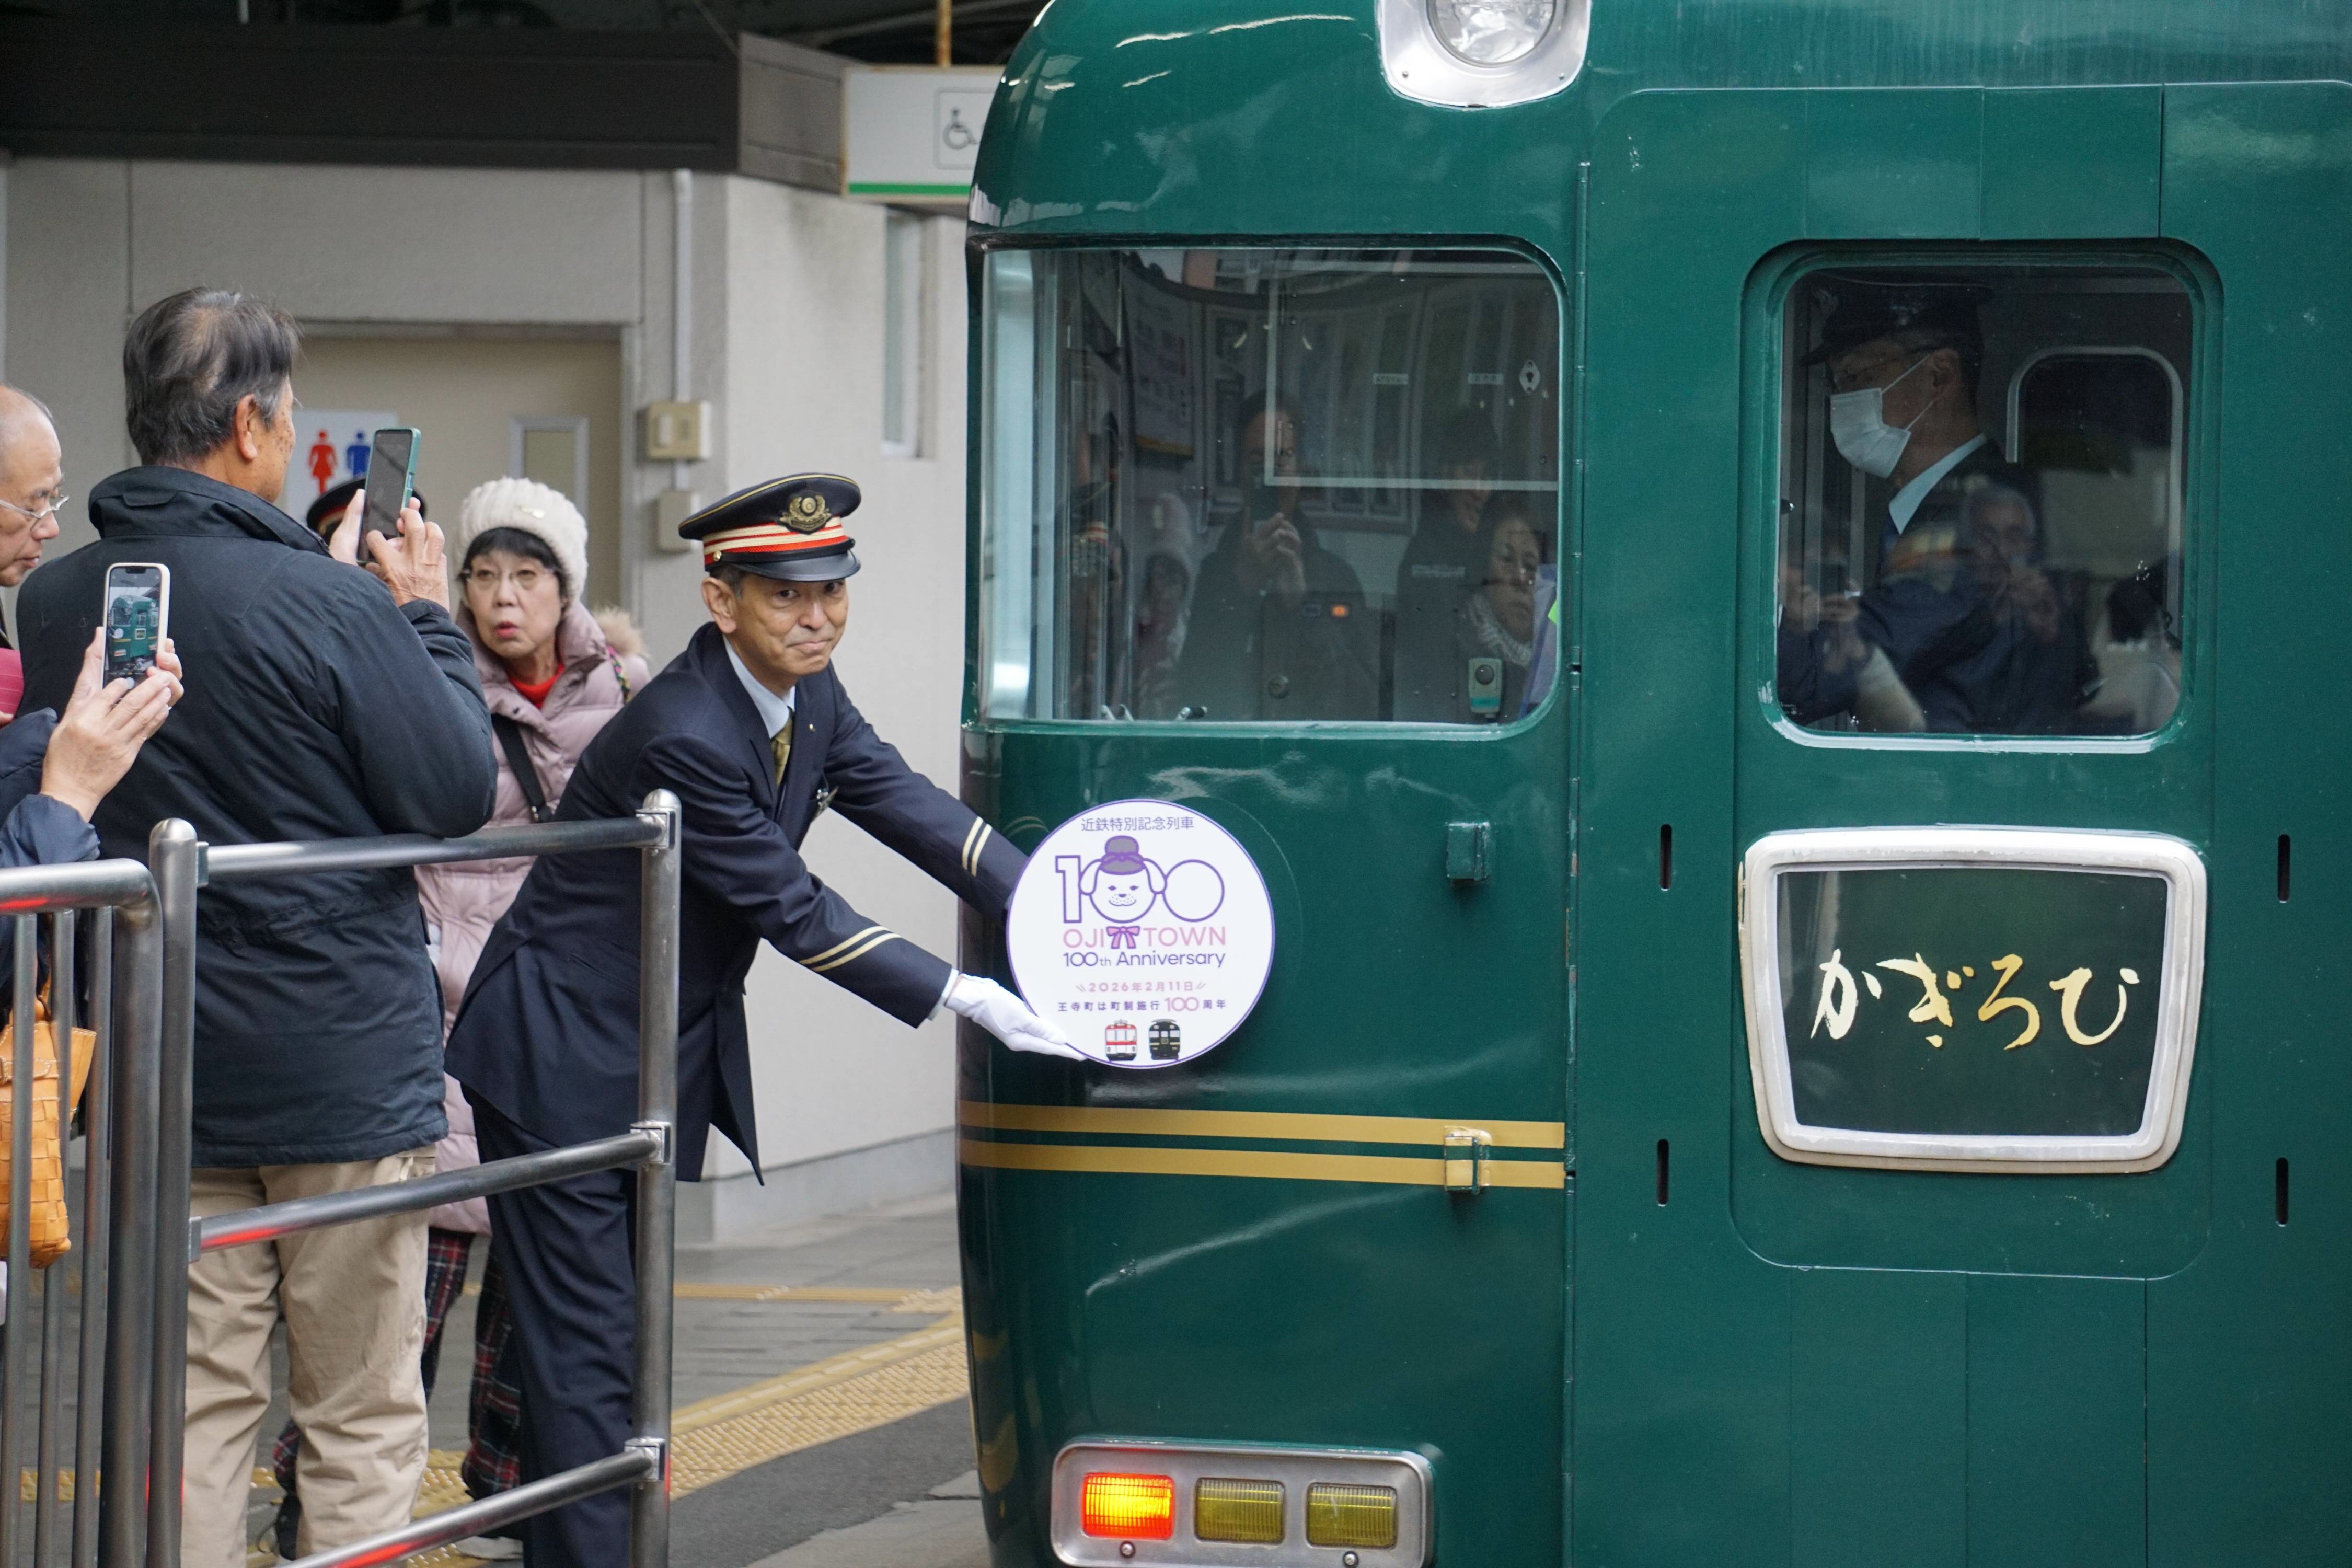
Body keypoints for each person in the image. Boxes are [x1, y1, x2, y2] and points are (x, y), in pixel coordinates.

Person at [445, 473, 1078, 1568]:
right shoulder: (688, 728)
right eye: (786, 595)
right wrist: (969, 997)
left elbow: (905, 800)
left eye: (832, 591)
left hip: (637, 1054)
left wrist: (1056, 902)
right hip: (561, 1056)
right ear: (721, 599)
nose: (817, 616)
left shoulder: (806, 695)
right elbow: (795, 911)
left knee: (602, 1352)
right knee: (595, 1356)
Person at [16, 287, 499, 1568]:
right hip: (340, 1067)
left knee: (193, 1409)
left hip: (159, 1063)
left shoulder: (63, 595)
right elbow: (451, 791)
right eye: (284, 421)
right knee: (356, 1407)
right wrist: (424, 618)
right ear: (248, 424)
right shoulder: (324, 600)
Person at [267, 477, 647, 1561]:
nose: (501, 596)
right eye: (482, 573)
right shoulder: (425, 675)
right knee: (399, 1301)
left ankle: (510, 1495)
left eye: (525, 574)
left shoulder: (618, 691)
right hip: (437, 1011)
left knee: (531, 1313)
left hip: (549, 1028)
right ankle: (321, 1496)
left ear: (564, 583)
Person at [1804, 279, 2091, 732]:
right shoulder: (1961, 506)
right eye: (1836, 382)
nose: (1839, 399)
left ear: (1939, 375)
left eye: (1856, 377)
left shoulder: (1980, 525)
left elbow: (1817, 676)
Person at [1172, 394, 1376, 720]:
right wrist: (1240, 589)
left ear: (1299, 471)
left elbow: (1361, 703)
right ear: (1240, 470)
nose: (1270, 475)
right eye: (1258, 460)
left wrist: (1303, 604)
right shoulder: (1216, 574)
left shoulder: (1336, 577)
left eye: (1282, 460)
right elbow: (1192, 692)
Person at [1392, 409, 1503, 717]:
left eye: (1488, 477)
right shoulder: (1425, 563)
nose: (1481, 491)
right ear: (1444, 477)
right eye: (1469, 473)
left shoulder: (1497, 549)